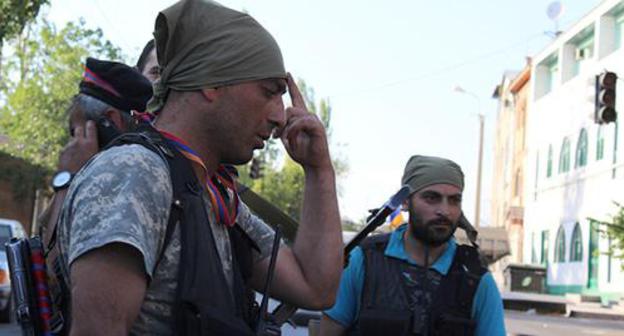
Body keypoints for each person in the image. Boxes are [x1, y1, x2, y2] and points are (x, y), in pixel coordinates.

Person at [56, 1, 342, 335]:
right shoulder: (136, 175)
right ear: (211, 81)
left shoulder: (210, 192)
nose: (280, 117)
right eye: (269, 92)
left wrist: (319, 170)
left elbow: (315, 287)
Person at [320, 155, 506, 336]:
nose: (444, 211)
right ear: (406, 201)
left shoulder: (476, 278)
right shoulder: (364, 260)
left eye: (454, 200)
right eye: (431, 198)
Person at [40, 57, 153, 246]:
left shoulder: (123, 183)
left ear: (111, 122)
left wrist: (67, 179)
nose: (72, 146)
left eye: (76, 133)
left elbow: (53, 266)